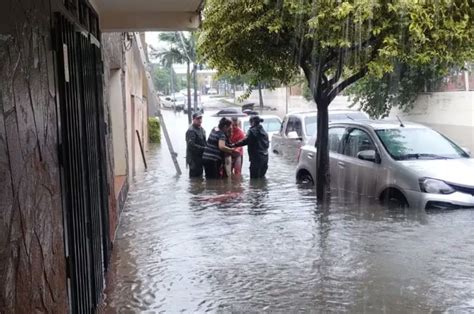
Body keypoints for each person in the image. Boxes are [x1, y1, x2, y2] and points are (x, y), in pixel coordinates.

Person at [185, 112, 206, 178]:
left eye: (200, 118)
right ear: (193, 119)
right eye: (198, 118)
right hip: (193, 159)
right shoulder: (191, 131)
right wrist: (204, 149)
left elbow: (204, 141)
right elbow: (191, 146)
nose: (200, 120)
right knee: (194, 179)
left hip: (200, 157)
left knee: (200, 177)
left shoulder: (201, 129)